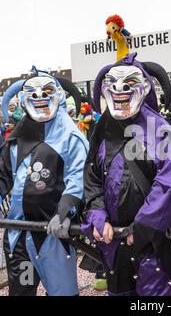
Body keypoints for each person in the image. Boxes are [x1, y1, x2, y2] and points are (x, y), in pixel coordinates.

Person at [81, 53, 171, 296]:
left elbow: (167, 183)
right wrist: (97, 216)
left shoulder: (160, 130)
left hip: (152, 243)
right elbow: (92, 178)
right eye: (113, 83)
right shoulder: (101, 130)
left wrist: (143, 227)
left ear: (144, 87)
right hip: (113, 244)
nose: (119, 89)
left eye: (128, 83)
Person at [0, 69, 88, 296]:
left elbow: (78, 178)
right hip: (18, 234)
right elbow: (3, 176)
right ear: (23, 99)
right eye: (33, 93)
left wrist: (64, 212)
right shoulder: (16, 140)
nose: (40, 97)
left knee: (62, 293)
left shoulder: (71, 137)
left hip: (53, 236)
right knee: (22, 292)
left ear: (58, 95)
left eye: (46, 92)